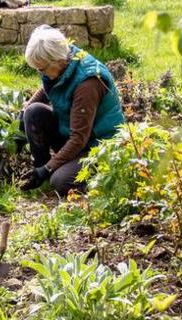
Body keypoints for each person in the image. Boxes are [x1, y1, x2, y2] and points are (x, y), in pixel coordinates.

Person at [19, 26, 125, 196]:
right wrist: (24, 112)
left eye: (41, 69)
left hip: (99, 146)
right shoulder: (65, 61)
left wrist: (49, 168)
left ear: (57, 60)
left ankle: (102, 180)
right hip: (75, 134)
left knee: (60, 181)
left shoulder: (88, 84)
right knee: (33, 112)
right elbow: (48, 85)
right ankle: (41, 173)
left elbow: (78, 139)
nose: (40, 73)